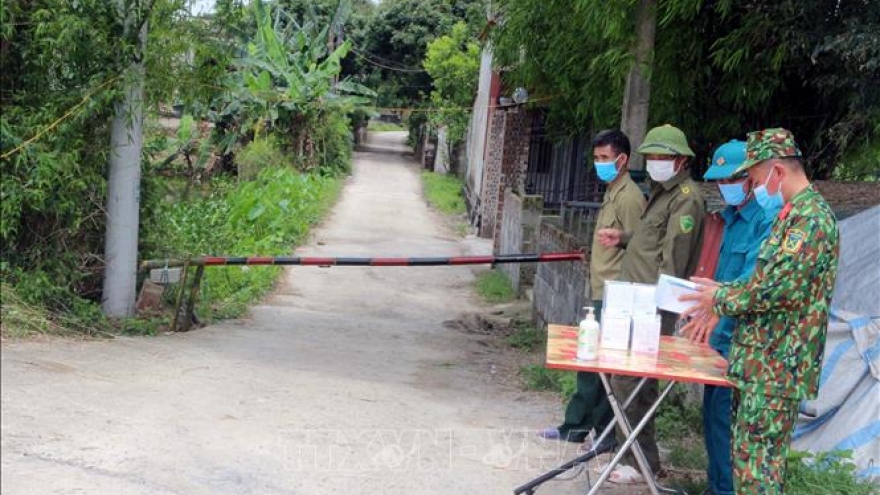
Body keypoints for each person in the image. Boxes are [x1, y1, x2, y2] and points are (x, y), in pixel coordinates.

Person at [680, 128, 839, 494]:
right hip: (759, 364)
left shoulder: (810, 219)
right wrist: (722, 292)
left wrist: (720, 298)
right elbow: (763, 281)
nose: (754, 188)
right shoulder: (791, 215)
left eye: (754, 179)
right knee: (747, 467)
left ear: (777, 172)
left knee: (758, 473)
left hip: (776, 368)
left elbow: (777, 288)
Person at [596, 124, 706, 481]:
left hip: (651, 305)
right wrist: (624, 238)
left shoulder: (686, 197)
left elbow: (674, 258)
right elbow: (651, 239)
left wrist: (654, 310)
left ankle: (634, 461)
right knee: (633, 380)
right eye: (652, 155)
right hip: (637, 298)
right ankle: (639, 457)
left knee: (631, 381)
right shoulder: (662, 192)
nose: (655, 161)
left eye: (663, 156)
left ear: (681, 160)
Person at [538, 130, 646, 448]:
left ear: (622, 159)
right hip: (601, 287)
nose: (599, 164)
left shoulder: (629, 198)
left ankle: (596, 431)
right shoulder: (613, 192)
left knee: (598, 365)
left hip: (616, 291)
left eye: (604, 158)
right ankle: (584, 429)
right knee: (592, 362)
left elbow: (638, 247)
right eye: (596, 158)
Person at [682, 140, 774, 495]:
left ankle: (726, 490)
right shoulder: (730, 219)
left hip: (745, 344)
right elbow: (719, 282)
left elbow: (750, 284)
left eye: (732, 179)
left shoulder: (767, 221)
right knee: (714, 419)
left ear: (751, 177)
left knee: (730, 424)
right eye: (720, 180)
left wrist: (716, 305)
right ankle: (716, 485)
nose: (725, 186)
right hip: (719, 338)